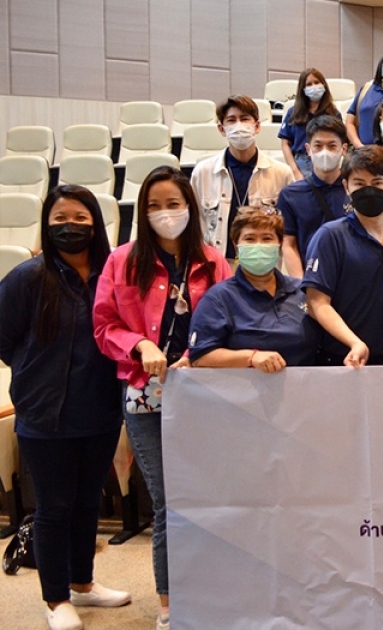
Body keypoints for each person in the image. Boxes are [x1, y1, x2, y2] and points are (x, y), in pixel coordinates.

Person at [93, 167, 232, 630]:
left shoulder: (212, 261)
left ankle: (215, 591)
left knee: (210, 498)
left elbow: (228, 319)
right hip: (146, 397)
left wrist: (200, 353)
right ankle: (171, 604)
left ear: (190, 207)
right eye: (153, 206)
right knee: (169, 502)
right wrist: (139, 344)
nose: (164, 213)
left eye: (173, 204)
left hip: (205, 395)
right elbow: (104, 326)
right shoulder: (122, 261)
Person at [0, 186, 130, 630]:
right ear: (46, 224)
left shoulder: (112, 274)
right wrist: (35, 371)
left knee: (88, 501)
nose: (70, 226)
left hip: (99, 408)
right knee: (54, 507)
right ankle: (56, 599)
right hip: (45, 413)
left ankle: (82, 583)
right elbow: (4, 341)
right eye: (60, 219)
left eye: (79, 218)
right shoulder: (27, 277)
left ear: (95, 223)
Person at [302, 146, 383, 367]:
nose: (369, 190)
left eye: (377, 183)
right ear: (346, 187)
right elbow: (317, 303)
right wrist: (354, 343)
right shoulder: (330, 236)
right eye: (360, 184)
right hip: (343, 360)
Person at [189, 209, 319, 371]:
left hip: (305, 384)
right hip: (243, 386)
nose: (258, 245)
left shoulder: (303, 292)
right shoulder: (219, 298)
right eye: (249, 239)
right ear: (236, 245)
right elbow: (200, 356)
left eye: (267, 238)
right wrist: (250, 357)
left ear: (279, 244)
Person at [191, 95, 295, 260]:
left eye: (245, 119)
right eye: (231, 120)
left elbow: (289, 228)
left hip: (264, 264)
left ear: (257, 126)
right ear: (222, 129)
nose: (238, 125)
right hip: (218, 263)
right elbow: (196, 223)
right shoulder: (202, 172)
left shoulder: (282, 173)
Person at [277, 115, 350, 277]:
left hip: (350, 278)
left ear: (344, 149)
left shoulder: (355, 191)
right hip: (310, 278)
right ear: (308, 149)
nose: (325, 152)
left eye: (332, 146)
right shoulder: (290, 195)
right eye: (318, 146)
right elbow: (289, 244)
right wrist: (301, 285)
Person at [278, 68, 341, 180]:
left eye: (317, 82)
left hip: (326, 161)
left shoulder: (334, 113)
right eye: (309, 84)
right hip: (300, 163)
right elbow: (285, 144)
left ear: (324, 85)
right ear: (303, 89)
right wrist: (295, 171)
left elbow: (340, 143)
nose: (314, 87)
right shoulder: (293, 113)